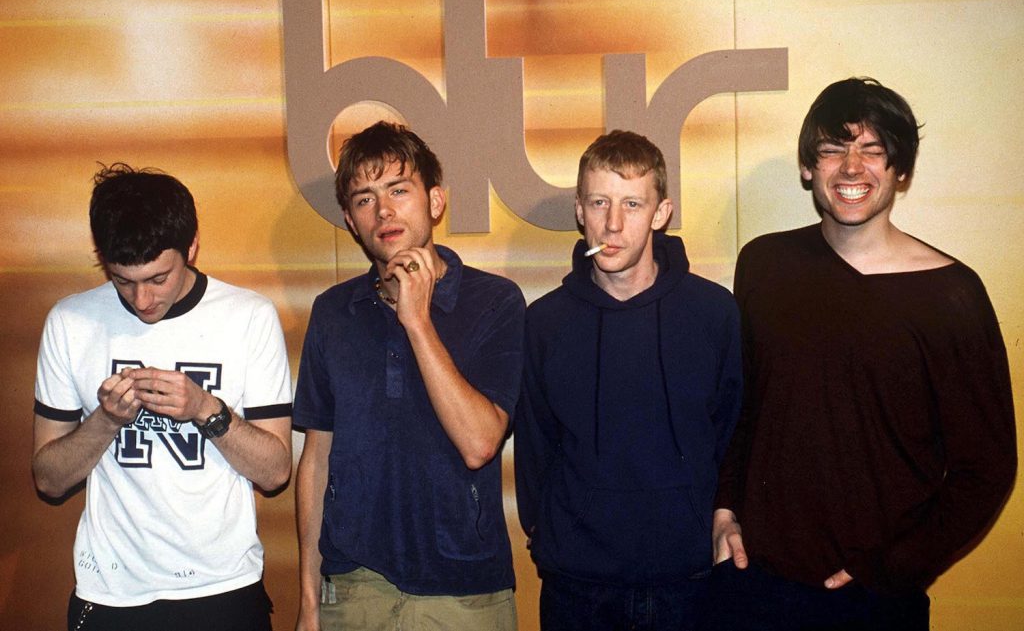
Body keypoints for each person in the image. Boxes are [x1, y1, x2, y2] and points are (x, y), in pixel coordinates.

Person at [704, 78, 1017, 631]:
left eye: (873, 150)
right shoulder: (764, 264)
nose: (852, 168)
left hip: (877, 601)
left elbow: (987, 468)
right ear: (808, 168)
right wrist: (725, 510)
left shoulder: (952, 294)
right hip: (754, 584)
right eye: (833, 149)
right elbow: (740, 408)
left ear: (901, 170)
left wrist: (892, 569)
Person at [32, 163, 293, 631]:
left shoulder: (248, 317)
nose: (142, 300)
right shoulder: (71, 322)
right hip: (110, 592)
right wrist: (106, 421)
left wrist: (205, 409)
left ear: (191, 247)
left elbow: (275, 472)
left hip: (223, 587)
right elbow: (49, 480)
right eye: (122, 280)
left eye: (158, 279)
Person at [293, 121, 525, 631]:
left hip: (464, 589)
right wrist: (309, 599)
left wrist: (417, 320)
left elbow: (480, 443)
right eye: (365, 199)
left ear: (435, 201)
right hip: (353, 587)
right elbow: (317, 458)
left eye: (398, 190)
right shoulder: (333, 312)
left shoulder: (495, 301)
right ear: (351, 221)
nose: (384, 211)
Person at [514, 130, 743, 631]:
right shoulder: (545, 323)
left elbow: (732, 433)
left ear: (661, 213)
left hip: (689, 581)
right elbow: (533, 444)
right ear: (580, 210)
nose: (612, 223)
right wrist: (547, 528)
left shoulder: (713, 313)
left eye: (632, 204)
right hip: (577, 588)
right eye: (600, 202)